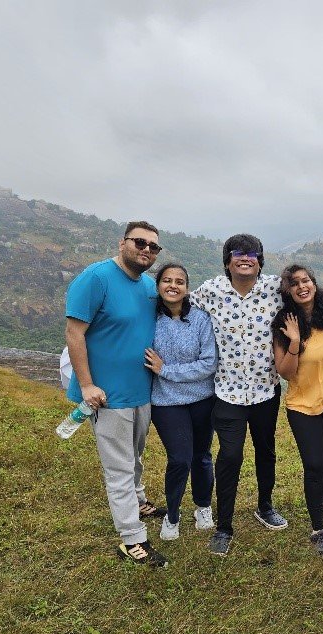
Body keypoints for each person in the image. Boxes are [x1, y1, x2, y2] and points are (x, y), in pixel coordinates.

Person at [64, 220, 168, 567]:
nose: (147, 251)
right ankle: (131, 538)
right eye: (141, 243)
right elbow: (74, 332)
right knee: (119, 468)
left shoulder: (149, 286)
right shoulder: (96, 278)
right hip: (107, 397)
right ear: (123, 242)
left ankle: (138, 502)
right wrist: (88, 385)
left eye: (154, 247)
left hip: (142, 391)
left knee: (136, 456)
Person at [188, 234, 287, 556]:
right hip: (227, 392)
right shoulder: (211, 291)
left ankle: (265, 505)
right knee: (229, 456)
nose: (245, 258)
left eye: (252, 253)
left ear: (260, 259)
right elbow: (173, 302)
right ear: (227, 260)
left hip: (265, 390)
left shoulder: (275, 288)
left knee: (266, 451)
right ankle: (224, 526)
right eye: (237, 253)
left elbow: (308, 293)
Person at [273, 265, 323, 557]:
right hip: (302, 405)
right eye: (295, 284)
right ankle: (317, 528)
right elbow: (285, 372)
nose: (302, 287)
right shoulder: (284, 323)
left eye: (306, 281)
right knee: (315, 464)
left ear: (314, 284)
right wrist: (294, 341)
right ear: (288, 291)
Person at [144, 263, 218, 542]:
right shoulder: (149, 320)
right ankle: (172, 514)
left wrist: (166, 371)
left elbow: (208, 363)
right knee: (179, 459)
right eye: (166, 280)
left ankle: (203, 507)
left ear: (187, 288)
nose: (173, 286)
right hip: (166, 402)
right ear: (158, 285)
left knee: (201, 456)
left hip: (202, 399)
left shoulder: (200, 319)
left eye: (179, 281)